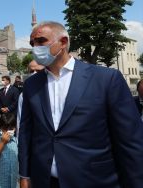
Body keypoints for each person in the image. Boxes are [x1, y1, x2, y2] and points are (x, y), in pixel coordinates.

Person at [18, 21, 143, 188]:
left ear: (62, 42)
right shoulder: (31, 85)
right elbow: (26, 133)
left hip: (94, 180)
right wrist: (24, 174)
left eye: (41, 41)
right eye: (32, 43)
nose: (35, 48)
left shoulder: (106, 79)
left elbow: (129, 141)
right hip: (45, 181)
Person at [16, 60, 44, 137]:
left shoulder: (53, 90)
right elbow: (20, 119)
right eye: (31, 71)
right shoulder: (23, 95)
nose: (34, 73)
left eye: (38, 70)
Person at [0, 113, 18, 188]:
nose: (8, 132)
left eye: (11, 129)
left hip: (13, 184)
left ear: (15, 128)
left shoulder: (16, 141)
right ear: (0, 127)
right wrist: (2, 143)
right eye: (5, 129)